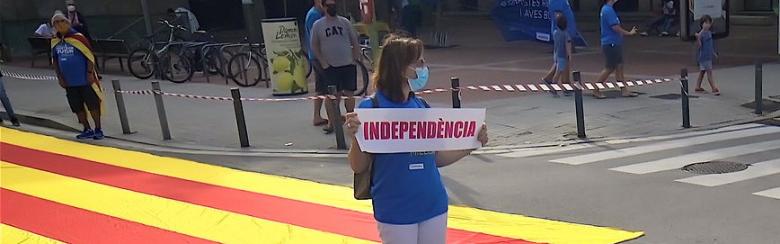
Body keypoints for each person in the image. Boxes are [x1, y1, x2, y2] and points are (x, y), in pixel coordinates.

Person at [344, 34, 489, 244]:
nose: (424, 67)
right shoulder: (371, 109)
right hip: (395, 209)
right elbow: (358, 166)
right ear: (401, 68)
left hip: (433, 204)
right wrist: (356, 137)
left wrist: (471, 144)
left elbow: (435, 157)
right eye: (419, 62)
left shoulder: (421, 106)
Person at [51, 13, 105, 140]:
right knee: (77, 107)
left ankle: (98, 129)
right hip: (69, 82)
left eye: (62, 21)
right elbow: (55, 60)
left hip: (84, 79)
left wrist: (90, 73)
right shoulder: (55, 41)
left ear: (67, 22)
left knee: (93, 105)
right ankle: (86, 128)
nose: (59, 24)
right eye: (56, 22)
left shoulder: (78, 38)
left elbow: (89, 56)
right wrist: (60, 77)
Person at [311, 0, 361, 134]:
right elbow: (314, 45)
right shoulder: (318, 25)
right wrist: (323, 62)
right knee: (332, 96)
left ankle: (351, 120)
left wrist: (355, 58)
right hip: (330, 66)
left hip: (347, 64)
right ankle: (332, 123)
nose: (332, 7)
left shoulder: (345, 22)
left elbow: (354, 40)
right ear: (324, 6)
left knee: (349, 94)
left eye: (334, 4)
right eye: (329, 5)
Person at [592, 0, 639, 99]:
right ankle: (596, 89)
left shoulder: (608, 9)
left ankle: (624, 90)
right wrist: (628, 33)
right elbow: (615, 27)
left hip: (615, 42)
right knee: (610, 67)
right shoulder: (608, 10)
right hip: (611, 43)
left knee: (619, 66)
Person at [305, 0, 328, 127]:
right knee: (329, 86)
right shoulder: (314, 15)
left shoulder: (315, 13)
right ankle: (332, 116)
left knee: (320, 87)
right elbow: (317, 36)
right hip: (318, 56)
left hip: (315, 55)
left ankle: (317, 116)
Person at [541, 12, 573, 97]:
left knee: (558, 71)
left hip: (557, 54)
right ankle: (553, 88)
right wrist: (569, 56)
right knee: (558, 73)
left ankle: (560, 87)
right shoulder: (566, 35)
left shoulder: (555, 33)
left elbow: (556, 44)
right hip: (563, 56)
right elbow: (567, 47)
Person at [695, 15, 719, 96]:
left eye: (709, 23)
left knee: (702, 72)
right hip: (704, 57)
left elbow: (710, 45)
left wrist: (713, 53)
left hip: (708, 56)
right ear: (702, 24)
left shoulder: (709, 33)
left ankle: (697, 86)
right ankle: (713, 88)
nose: (707, 25)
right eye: (705, 23)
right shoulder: (701, 34)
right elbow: (699, 46)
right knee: (709, 72)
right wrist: (698, 38)